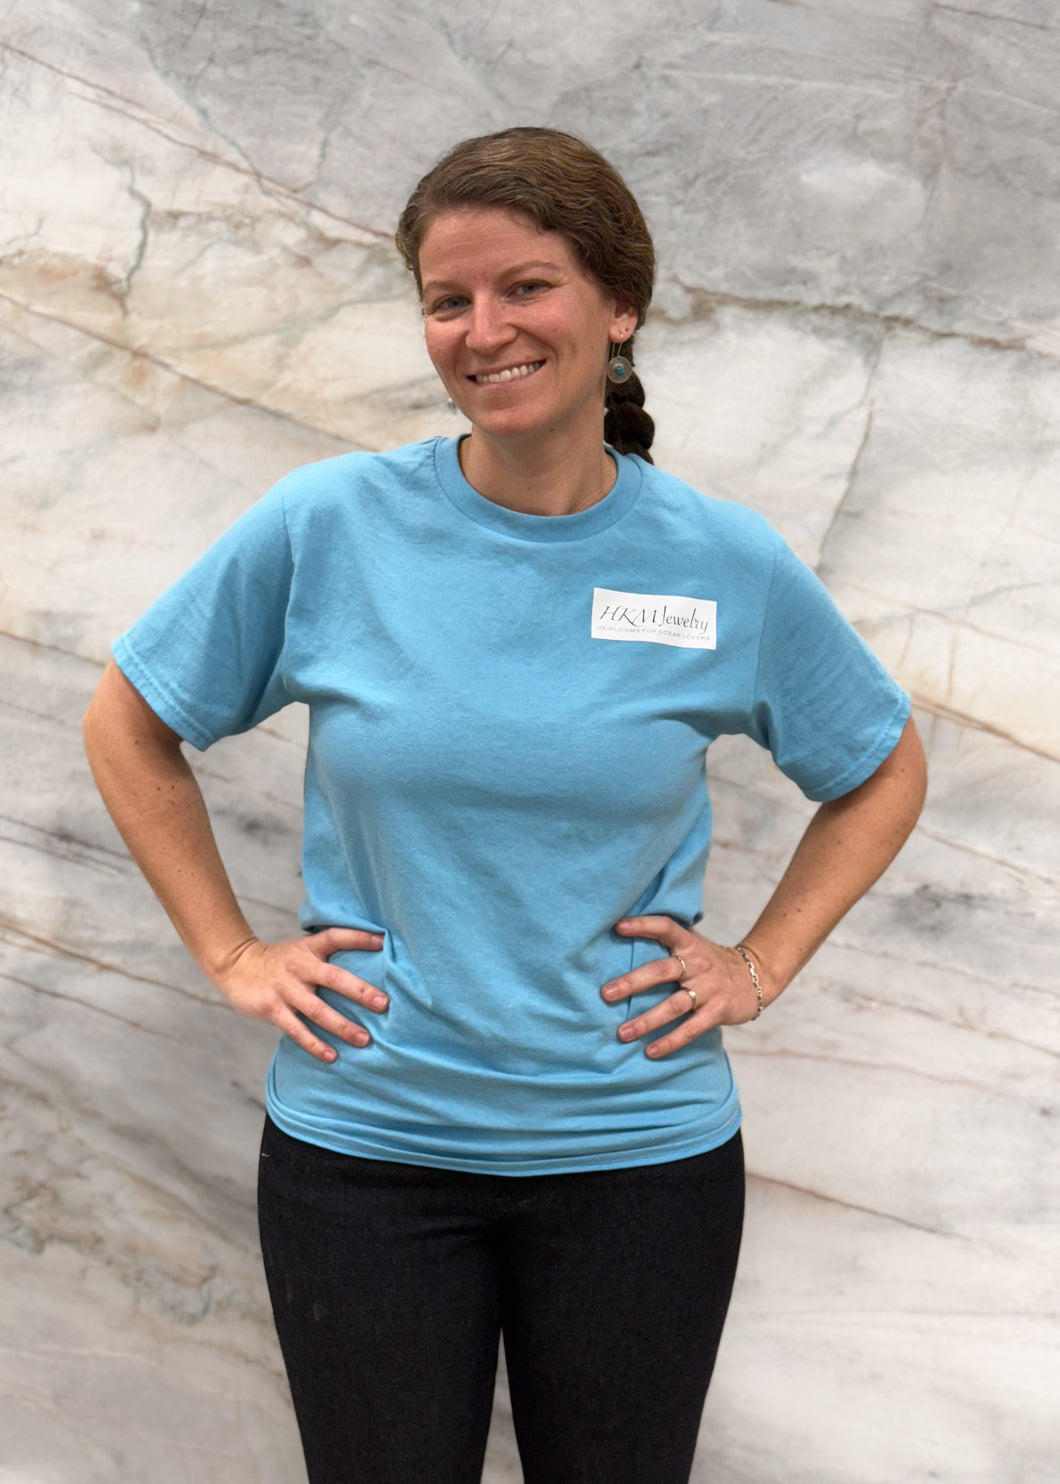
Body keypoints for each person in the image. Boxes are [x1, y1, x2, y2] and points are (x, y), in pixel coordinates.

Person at [83, 126, 927, 1484]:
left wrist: (760, 962)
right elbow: (130, 721)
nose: (484, 330)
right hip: (366, 1160)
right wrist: (232, 954)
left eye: (525, 286)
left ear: (619, 304)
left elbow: (881, 765)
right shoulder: (332, 526)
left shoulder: (721, 563)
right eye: (447, 299)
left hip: (639, 1165)